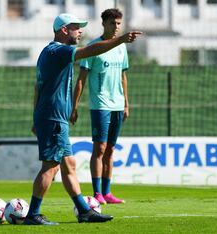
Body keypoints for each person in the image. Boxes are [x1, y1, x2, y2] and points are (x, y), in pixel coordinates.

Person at [24, 13, 141, 225]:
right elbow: (90, 51)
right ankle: (33, 214)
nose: (80, 31)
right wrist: (121, 40)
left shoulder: (47, 52)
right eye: (76, 27)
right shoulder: (58, 51)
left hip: (52, 117)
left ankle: (84, 211)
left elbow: (37, 87)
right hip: (54, 117)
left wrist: (36, 118)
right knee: (50, 166)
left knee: (69, 164)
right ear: (63, 30)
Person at [70, 8, 128, 205]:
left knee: (111, 149)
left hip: (117, 105)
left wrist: (126, 103)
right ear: (104, 24)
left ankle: (108, 192)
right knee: (100, 148)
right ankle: (97, 194)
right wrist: (74, 106)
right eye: (112, 23)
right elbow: (81, 79)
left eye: (119, 24)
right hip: (100, 104)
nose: (116, 27)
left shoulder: (122, 47)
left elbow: (123, 76)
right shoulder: (93, 47)